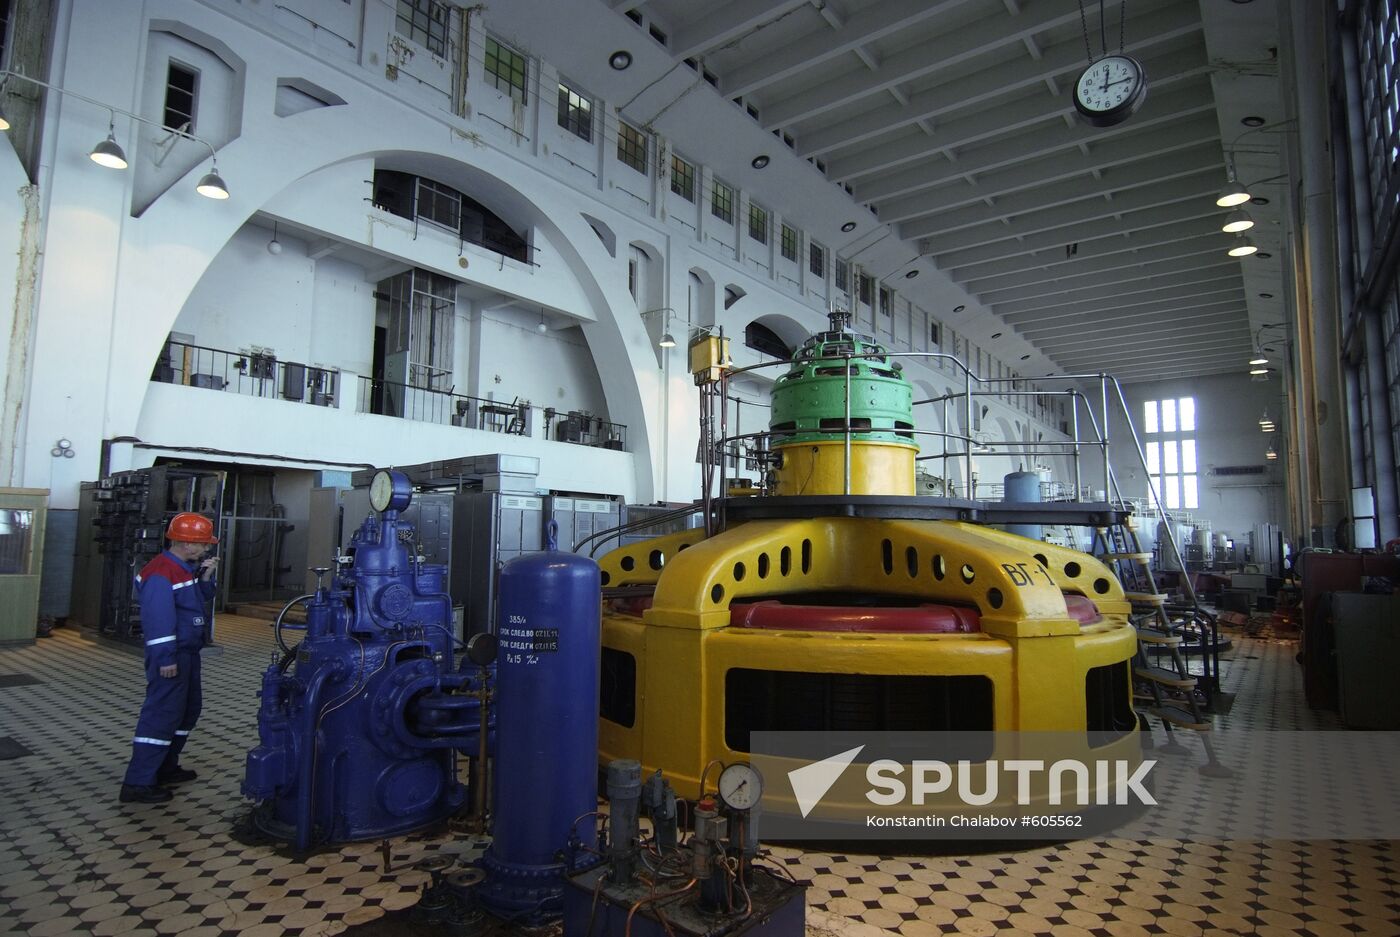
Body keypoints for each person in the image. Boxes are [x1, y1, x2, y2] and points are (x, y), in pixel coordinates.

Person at [119, 512, 219, 804]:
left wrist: (206, 578)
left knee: (187, 711)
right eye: (202, 544)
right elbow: (159, 621)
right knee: (162, 715)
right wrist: (165, 659)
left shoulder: (183, 569)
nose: (205, 550)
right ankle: (138, 783)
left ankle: (165, 767)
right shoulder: (161, 573)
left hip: (188, 654)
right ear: (186, 544)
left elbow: (196, 603)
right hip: (172, 657)